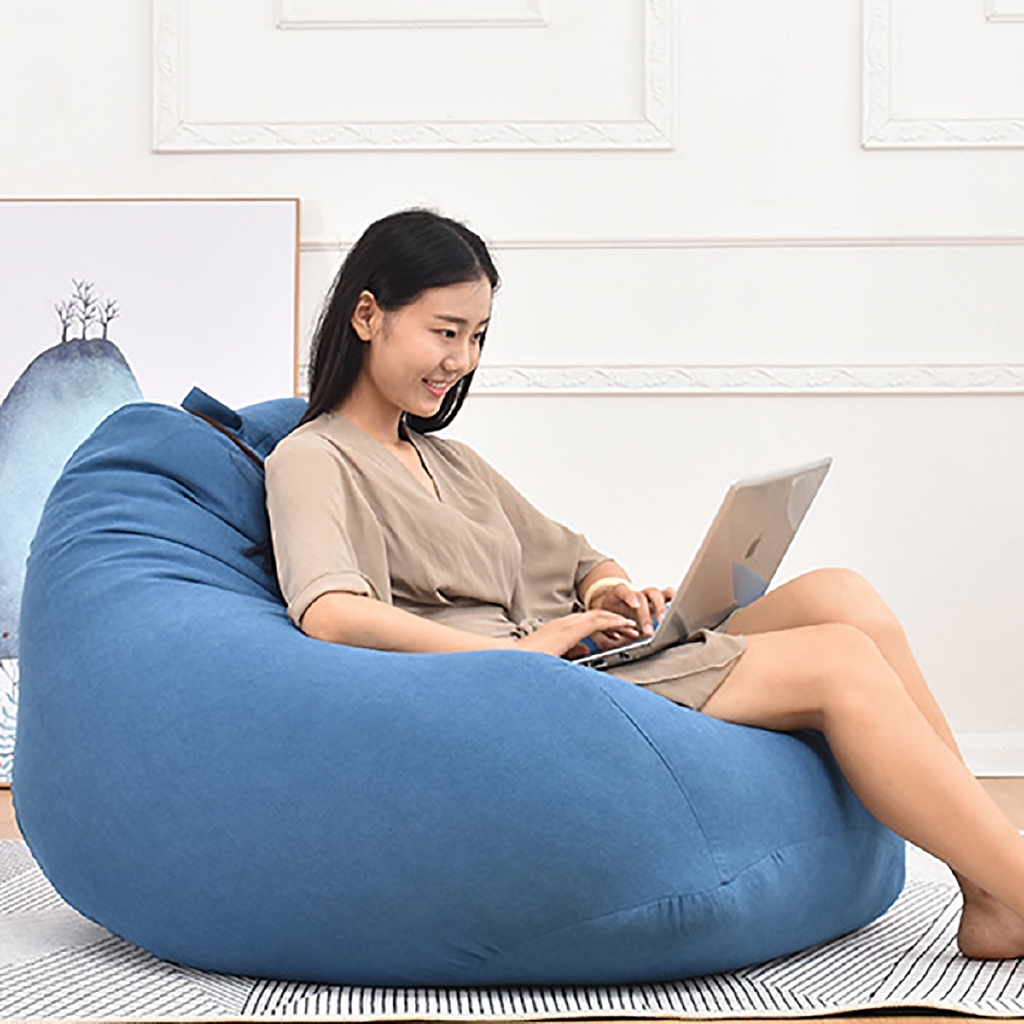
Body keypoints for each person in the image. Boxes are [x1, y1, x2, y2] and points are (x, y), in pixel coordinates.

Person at [266, 207, 1024, 961]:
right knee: (839, 661)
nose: (461, 359)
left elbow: (579, 560)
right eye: (445, 331)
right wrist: (525, 652)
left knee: (842, 595)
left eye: (478, 336)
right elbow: (330, 612)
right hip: (526, 691)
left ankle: (990, 890)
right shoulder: (313, 458)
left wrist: (611, 596)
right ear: (368, 316)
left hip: (578, 663)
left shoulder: (450, 461)